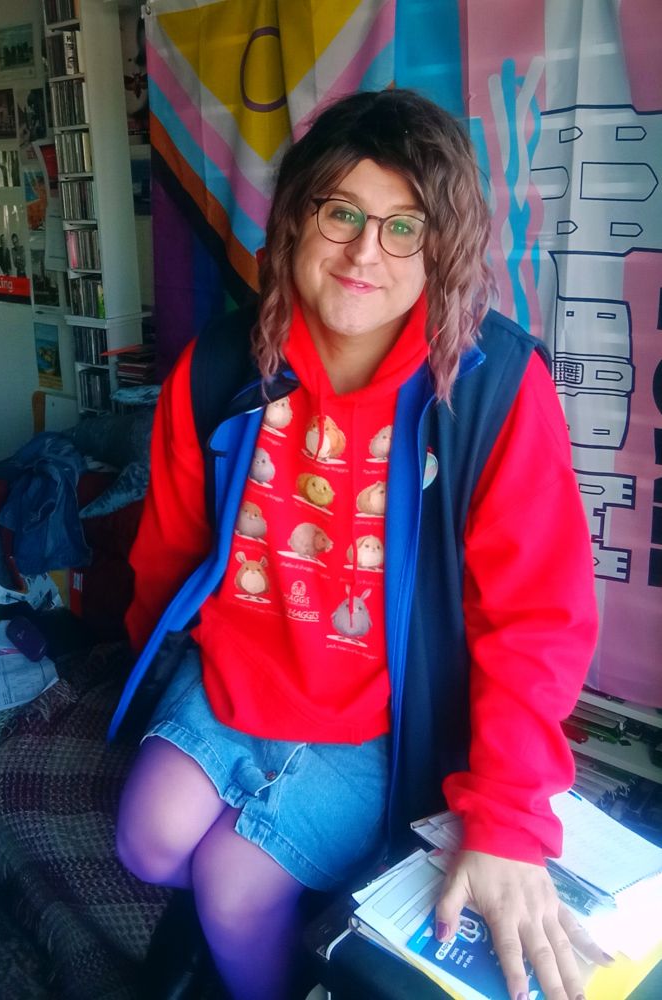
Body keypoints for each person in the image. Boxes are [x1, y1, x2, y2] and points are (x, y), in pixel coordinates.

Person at [114, 89, 608, 1000]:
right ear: (297, 217)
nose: (362, 254)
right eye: (340, 212)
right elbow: (166, 553)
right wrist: (142, 663)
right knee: (145, 843)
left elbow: (536, 617)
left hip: (385, 715)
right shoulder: (221, 366)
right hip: (237, 672)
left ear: (442, 246)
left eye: (403, 228)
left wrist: (504, 821)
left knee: (231, 882)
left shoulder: (492, 386)